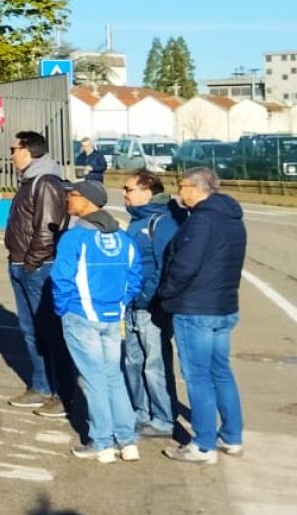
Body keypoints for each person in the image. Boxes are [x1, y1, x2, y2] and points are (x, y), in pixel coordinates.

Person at [156, 166, 245, 464]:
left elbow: (184, 267)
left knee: (198, 377)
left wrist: (165, 293)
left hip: (196, 310)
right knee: (221, 372)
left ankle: (203, 444)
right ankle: (232, 436)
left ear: (197, 188)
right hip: (223, 307)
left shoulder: (201, 222)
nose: (180, 192)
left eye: (182, 186)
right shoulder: (232, 220)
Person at [50, 178, 143, 463]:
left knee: (93, 379)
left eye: (72, 195)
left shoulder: (75, 238)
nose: (67, 200)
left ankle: (102, 442)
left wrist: (62, 309)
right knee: (112, 375)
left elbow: (61, 278)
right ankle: (127, 440)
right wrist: (119, 304)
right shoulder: (124, 238)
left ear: (87, 200)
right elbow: (135, 276)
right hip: (112, 317)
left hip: (81, 316)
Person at [4, 131, 72, 418]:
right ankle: (41, 386)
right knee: (31, 331)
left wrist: (31, 262)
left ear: (28, 151)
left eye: (14, 148)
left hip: (37, 268)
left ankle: (63, 394)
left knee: (50, 332)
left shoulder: (45, 182)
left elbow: (47, 228)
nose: (11, 155)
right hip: (21, 264)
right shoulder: (30, 181)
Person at [120, 171, 180, 438]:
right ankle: (140, 412)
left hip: (150, 308)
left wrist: (144, 298)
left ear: (147, 191)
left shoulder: (162, 222)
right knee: (133, 361)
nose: (124, 194)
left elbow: (162, 267)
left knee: (154, 364)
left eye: (129, 189)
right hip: (131, 305)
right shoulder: (135, 221)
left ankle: (164, 419)